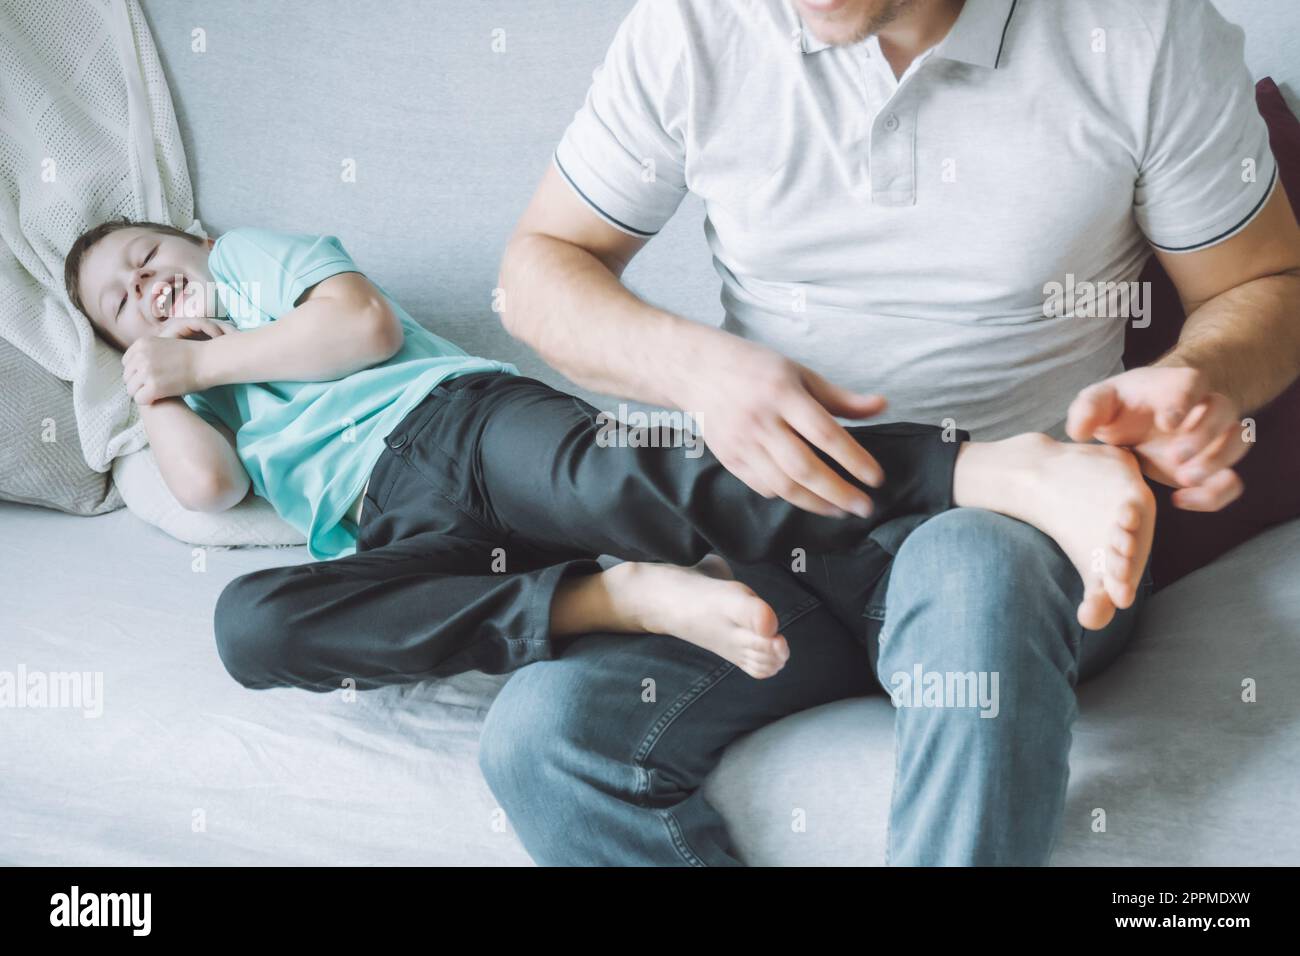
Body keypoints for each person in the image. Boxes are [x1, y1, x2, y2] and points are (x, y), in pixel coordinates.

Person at [481, 0, 1300, 864]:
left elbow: (1266, 281)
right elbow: (540, 270)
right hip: (778, 535)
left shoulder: (1141, 29)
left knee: (970, 561)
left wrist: (1199, 379)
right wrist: (695, 369)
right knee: (543, 735)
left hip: (1017, 542)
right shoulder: (694, 24)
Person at [65, 220, 1152, 685]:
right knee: (250, 626)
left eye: (148, 256)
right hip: (401, 523)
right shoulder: (185, 383)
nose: (146, 287)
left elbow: (363, 331)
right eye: (120, 305)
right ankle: (608, 598)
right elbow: (208, 489)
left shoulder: (254, 264)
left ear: (195, 240)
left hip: (464, 425)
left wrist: (202, 363)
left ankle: (982, 466)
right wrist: (156, 381)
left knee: (651, 477)